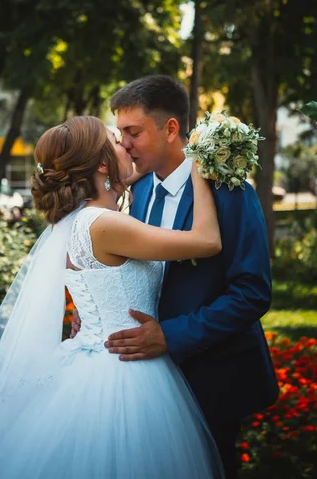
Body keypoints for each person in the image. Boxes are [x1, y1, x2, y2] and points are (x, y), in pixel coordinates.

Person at [0, 115, 225, 479]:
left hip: (92, 356)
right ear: (100, 163)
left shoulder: (78, 220)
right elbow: (207, 242)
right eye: (115, 140)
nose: (125, 145)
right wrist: (197, 172)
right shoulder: (107, 224)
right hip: (126, 373)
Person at [84, 75, 278, 479]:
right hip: (144, 383)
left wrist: (171, 336)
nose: (123, 144)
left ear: (171, 128)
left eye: (132, 132)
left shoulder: (229, 189)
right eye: (120, 133)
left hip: (213, 378)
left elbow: (252, 291)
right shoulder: (133, 195)